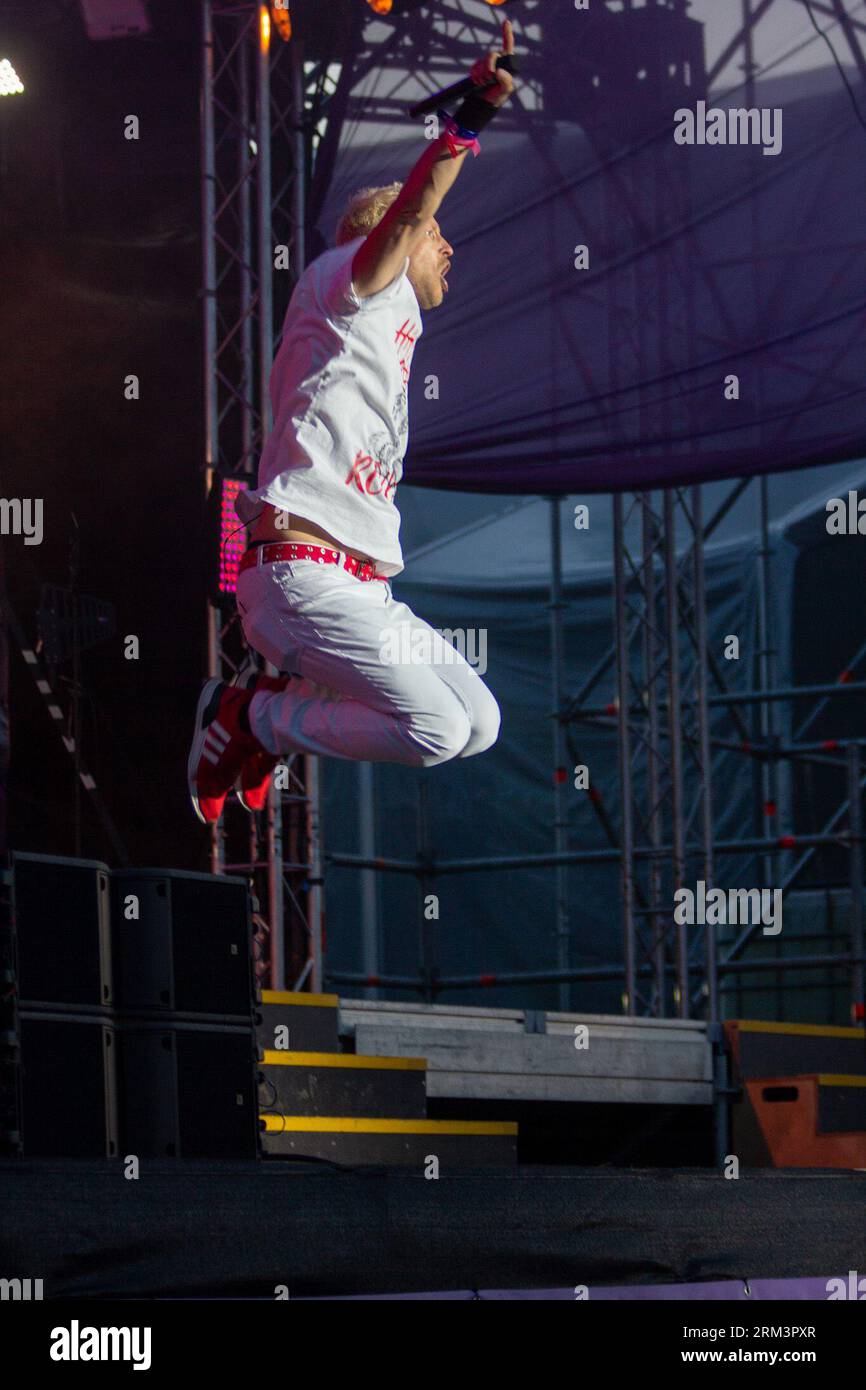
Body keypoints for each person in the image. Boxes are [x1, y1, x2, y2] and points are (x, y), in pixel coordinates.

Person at [188, 19, 517, 825]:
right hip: (303, 577)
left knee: (479, 722)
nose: (451, 250)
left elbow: (414, 223)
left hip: (358, 585)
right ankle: (252, 717)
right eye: (438, 235)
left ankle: (272, 709)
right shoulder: (349, 285)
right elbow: (410, 213)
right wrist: (469, 117)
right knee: (435, 727)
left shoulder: (382, 316)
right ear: (391, 236)